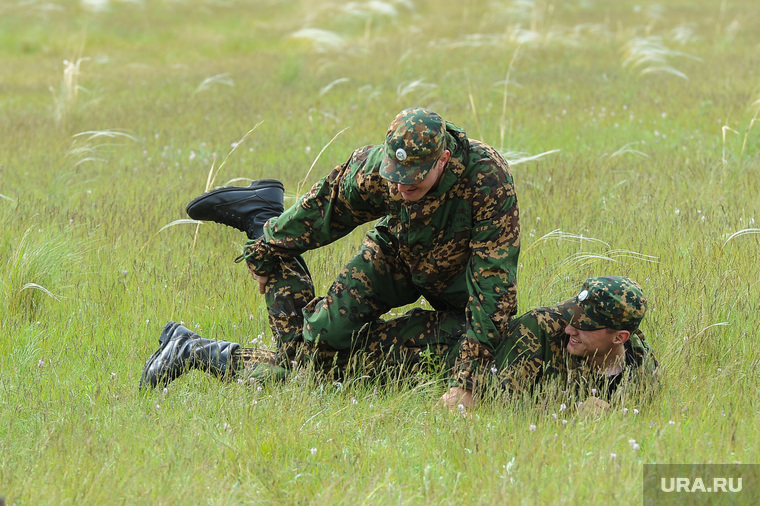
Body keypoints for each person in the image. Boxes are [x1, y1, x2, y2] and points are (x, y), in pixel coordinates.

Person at [140, 107, 521, 408]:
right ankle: (260, 220)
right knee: (317, 345)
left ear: (442, 160)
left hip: (457, 296)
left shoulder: (486, 180)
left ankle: (195, 349)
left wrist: (467, 383)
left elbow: (494, 285)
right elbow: (325, 209)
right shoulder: (378, 171)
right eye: (396, 178)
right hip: (396, 255)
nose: (402, 189)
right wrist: (266, 245)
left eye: (414, 182)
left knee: (330, 369)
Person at [481, 275, 658, 413]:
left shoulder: (643, 366)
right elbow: (495, 406)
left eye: (584, 326)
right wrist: (571, 412)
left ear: (619, 338)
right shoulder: (537, 329)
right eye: (570, 316)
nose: (569, 330)